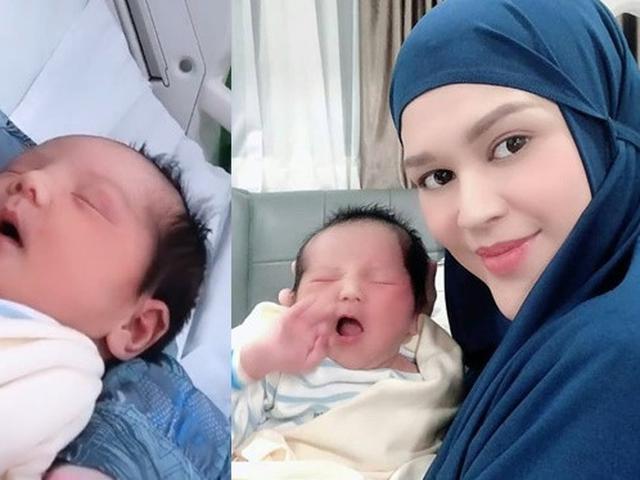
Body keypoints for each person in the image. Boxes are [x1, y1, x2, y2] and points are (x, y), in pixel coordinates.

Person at [389, 0, 640, 477]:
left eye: (510, 145)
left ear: (602, 125)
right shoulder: (520, 332)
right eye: (438, 177)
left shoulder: (615, 365)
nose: (474, 212)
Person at [0, 132, 229, 479]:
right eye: (13, 171)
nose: (30, 181)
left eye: (88, 202)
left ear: (136, 326)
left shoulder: (57, 371)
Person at [232, 206, 463, 478]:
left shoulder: (430, 380)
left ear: (416, 313)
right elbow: (211, 435)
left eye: (380, 280)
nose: (349, 291)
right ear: (291, 303)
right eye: (325, 279)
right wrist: (251, 365)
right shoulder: (277, 368)